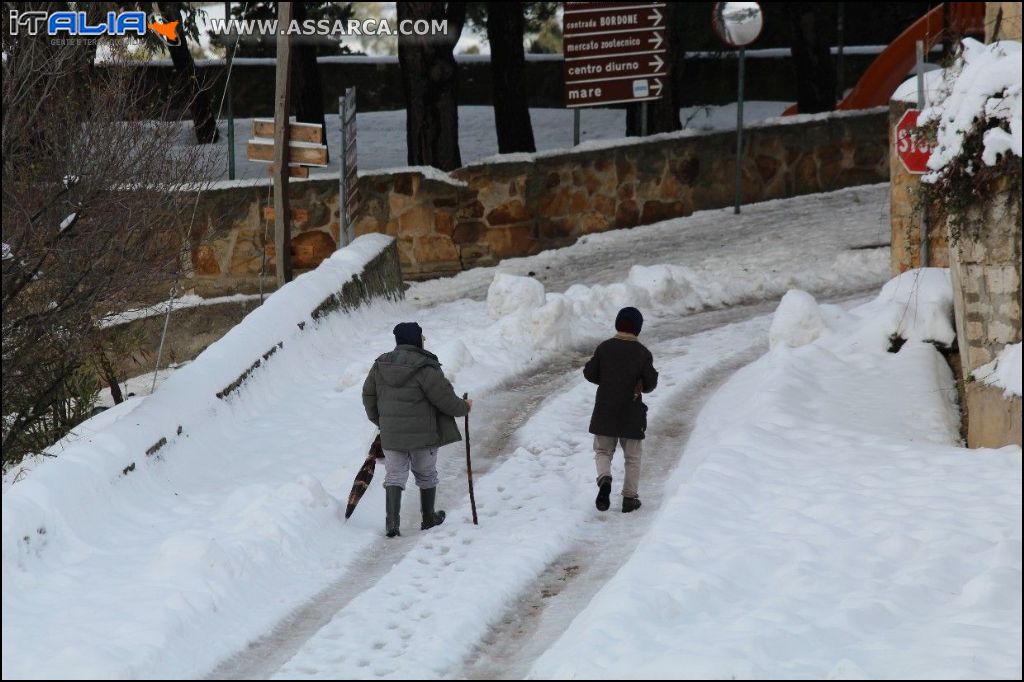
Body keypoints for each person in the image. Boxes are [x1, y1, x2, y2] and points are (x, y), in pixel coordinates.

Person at [362, 322, 472, 538]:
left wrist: (383, 422)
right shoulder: (425, 367)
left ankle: (391, 524)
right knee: (426, 474)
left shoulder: (380, 365)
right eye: (422, 336)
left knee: (394, 476)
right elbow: (444, 399)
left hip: (392, 435)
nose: (425, 339)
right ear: (415, 339)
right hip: (424, 436)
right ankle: (428, 517)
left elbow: (368, 397)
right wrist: (463, 407)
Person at [583, 307, 658, 513]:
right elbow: (651, 384)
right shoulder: (643, 353)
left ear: (617, 324)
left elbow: (590, 373)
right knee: (632, 457)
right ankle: (629, 498)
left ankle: (604, 478)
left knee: (603, 451)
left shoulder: (604, 348)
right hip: (631, 412)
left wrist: (606, 379)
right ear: (638, 329)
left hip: (605, 410)